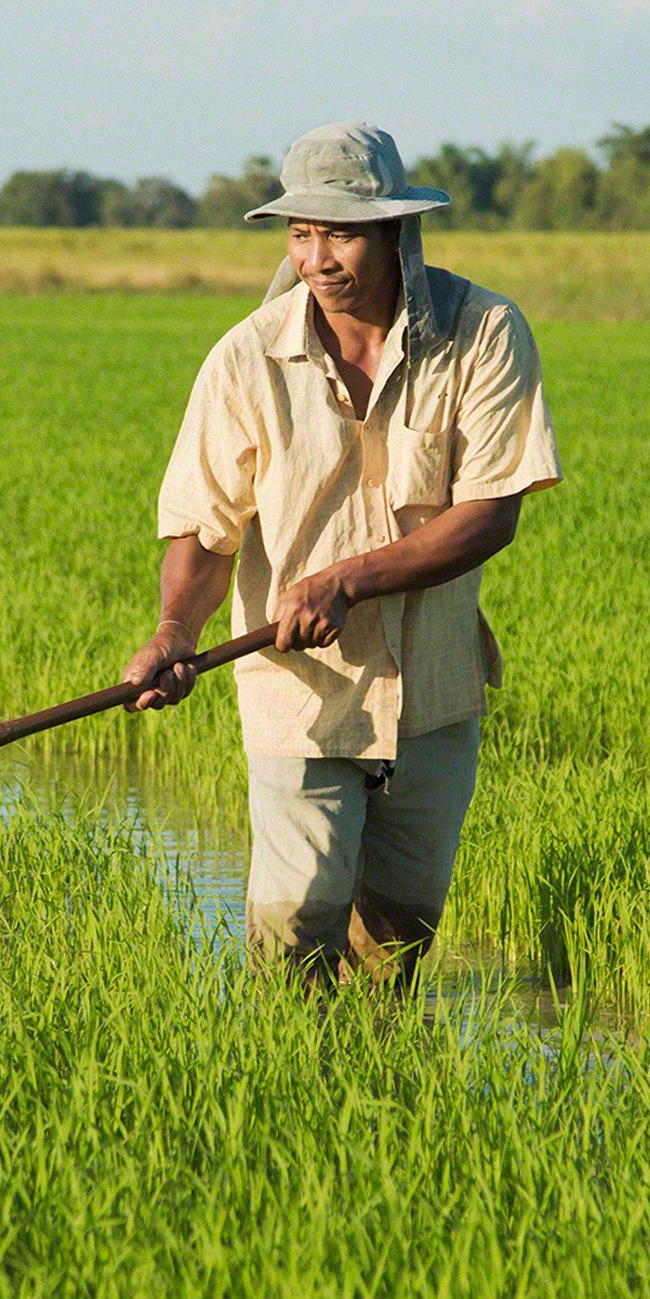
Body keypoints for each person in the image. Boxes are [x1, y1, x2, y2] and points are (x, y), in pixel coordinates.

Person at [119, 120, 561, 988]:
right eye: (301, 231)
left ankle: (376, 1102)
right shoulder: (248, 358)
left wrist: (348, 579)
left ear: (397, 229)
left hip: (432, 693)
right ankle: (292, 1099)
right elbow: (207, 532)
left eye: (342, 230)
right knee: (295, 934)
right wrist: (175, 630)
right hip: (300, 698)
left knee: (396, 942)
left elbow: (490, 514)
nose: (319, 255)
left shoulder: (482, 333)